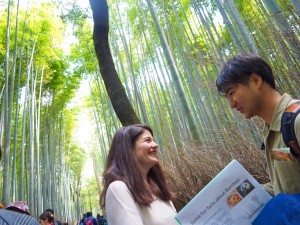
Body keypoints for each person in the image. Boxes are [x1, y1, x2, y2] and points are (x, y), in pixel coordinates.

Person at [216, 53, 300, 195]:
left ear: (256, 80)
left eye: (232, 92)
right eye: (227, 97)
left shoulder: (296, 122)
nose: (231, 104)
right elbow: (285, 186)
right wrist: (244, 195)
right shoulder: (273, 133)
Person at [100, 124, 177, 225]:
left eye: (153, 140)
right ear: (128, 149)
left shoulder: (157, 188)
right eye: (148, 140)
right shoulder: (118, 189)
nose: (155, 145)